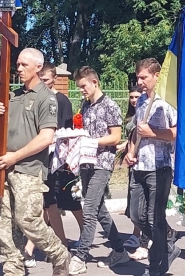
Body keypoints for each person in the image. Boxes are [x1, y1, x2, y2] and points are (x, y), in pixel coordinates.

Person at [0, 48, 70, 276]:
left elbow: (46, 137)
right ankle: (12, 269)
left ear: (38, 67)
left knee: (27, 220)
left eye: (24, 65)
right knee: (7, 224)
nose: (19, 68)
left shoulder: (46, 98)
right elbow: (3, 134)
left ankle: (59, 254)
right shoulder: (14, 95)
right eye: (18, 64)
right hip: (7, 167)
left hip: (29, 169)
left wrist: (15, 156)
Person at [68, 66, 130, 274]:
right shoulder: (85, 106)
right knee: (100, 209)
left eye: (83, 86)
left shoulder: (110, 105)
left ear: (95, 82)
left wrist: (91, 142)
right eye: (79, 87)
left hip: (102, 163)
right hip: (85, 163)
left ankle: (81, 255)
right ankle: (120, 250)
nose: (81, 90)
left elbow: (114, 137)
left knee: (90, 209)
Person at [124, 58, 181, 276]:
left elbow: (177, 132)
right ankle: (167, 246)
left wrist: (154, 134)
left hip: (160, 167)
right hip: (139, 166)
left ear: (157, 76)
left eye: (144, 77)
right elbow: (137, 132)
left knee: (154, 218)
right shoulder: (140, 102)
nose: (139, 82)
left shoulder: (167, 102)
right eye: (138, 77)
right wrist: (131, 152)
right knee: (136, 215)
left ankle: (155, 267)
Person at [27, 62, 82, 267]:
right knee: (48, 203)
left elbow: (66, 130)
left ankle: (84, 237)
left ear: (54, 79)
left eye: (47, 80)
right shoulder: (37, 98)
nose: (43, 83)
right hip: (42, 157)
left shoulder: (61, 100)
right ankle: (59, 243)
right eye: (40, 79)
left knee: (71, 202)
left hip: (60, 159)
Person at [117, 86, 147, 256]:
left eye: (136, 97)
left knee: (145, 204)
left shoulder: (144, 113)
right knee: (134, 200)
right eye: (131, 97)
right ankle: (138, 235)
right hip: (132, 159)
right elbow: (131, 136)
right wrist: (125, 147)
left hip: (143, 160)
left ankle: (143, 239)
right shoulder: (131, 115)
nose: (134, 100)